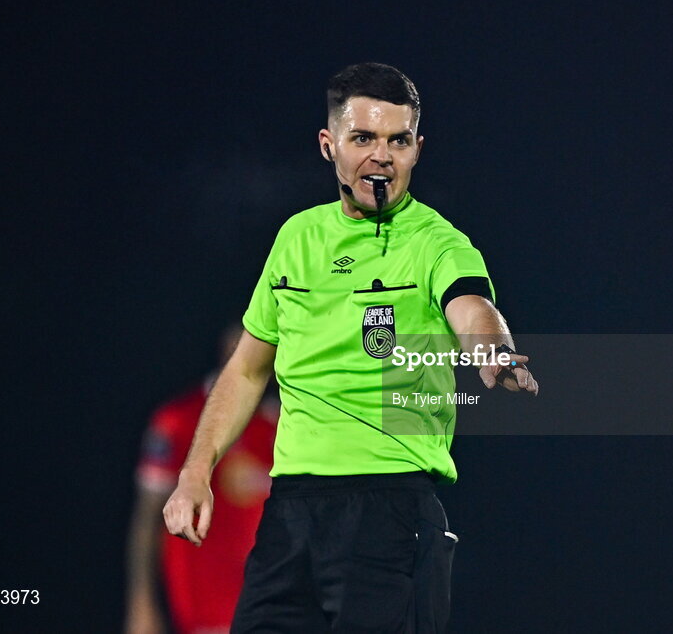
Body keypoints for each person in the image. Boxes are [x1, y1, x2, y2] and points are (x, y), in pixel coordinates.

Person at [163, 62, 538, 633]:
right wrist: (195, 473)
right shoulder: (297, 238)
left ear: (417, 148)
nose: (381, 156)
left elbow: (472, 308)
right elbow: (245, 370)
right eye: (363, 138)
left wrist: (494, 351)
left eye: (398, 140)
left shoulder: (436, 242)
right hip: (289, 516)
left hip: (390, 513)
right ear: (329, 144)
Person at [125, 325, 278, 634]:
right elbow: (147, 518)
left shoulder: (282, 422)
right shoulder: (179, 419)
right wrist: (142, 605)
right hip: (204, 611)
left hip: (268, 605)